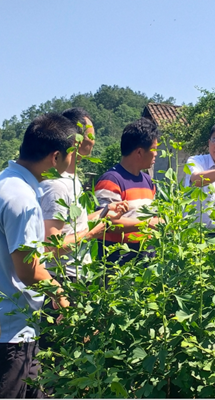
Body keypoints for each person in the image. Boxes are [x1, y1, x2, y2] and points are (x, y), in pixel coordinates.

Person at [0, 113, 76, 398]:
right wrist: (61, 297)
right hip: (11, 332)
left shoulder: (1, 182)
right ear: (55, 157)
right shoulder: (22, 199)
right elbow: (28, 270)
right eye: (70, 154)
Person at [40, 108, 128, 281]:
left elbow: (72, 224)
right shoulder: (57, 184)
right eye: (91, 136)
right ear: (75, 139)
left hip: (77, 274)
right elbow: (51, 247)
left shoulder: (73, 180)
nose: (94, 142)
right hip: (61, 278)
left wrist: (104, 211)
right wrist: (91, 234)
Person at [94, 118, 159, 266]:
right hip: (119, 266)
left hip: (145, 261)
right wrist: (148, 224)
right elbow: (106, 223)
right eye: (154, 149)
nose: (156, 154)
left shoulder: (148, 180)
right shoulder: (111, 180)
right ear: (139, 152)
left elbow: (154, 217)